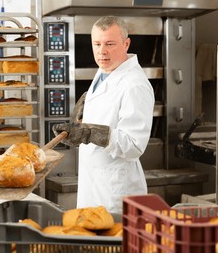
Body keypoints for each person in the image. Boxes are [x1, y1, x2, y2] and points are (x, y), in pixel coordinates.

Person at [52, 16, 155, 214]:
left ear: (126, 44)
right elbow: (107, 111)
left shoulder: (135, 85)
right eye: (97, 44)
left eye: (109, 44)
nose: (102, 51)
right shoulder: (105, 70)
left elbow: (134, 145)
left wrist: (89, 133)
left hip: (115, 194)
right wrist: (87, 108)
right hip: (93, 186)